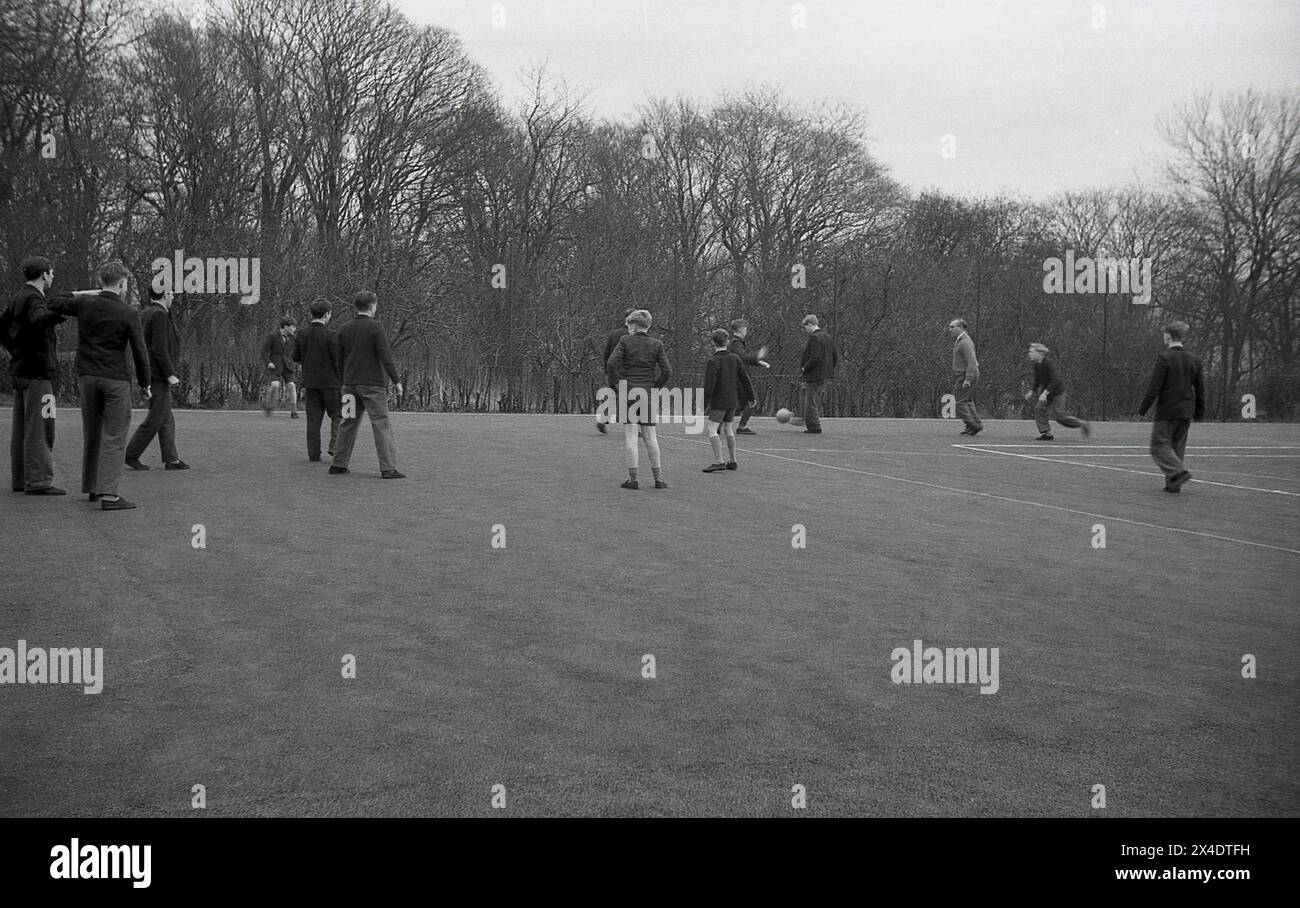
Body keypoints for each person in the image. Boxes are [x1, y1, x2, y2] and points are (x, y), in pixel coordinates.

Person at [52, 261, 151, 510]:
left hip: (87, 375)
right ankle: (109, 494)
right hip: (115, 378)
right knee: (115, 435)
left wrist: (90, 293)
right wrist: (145, 382)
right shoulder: (128, 312)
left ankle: (92, 487)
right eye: (125, 283)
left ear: (99, 283)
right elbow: (140, 351)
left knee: (92, 432)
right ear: (120, 283)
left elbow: (54, 301)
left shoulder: (86, 303)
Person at [4, 255, 87, 495]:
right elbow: (39, 318)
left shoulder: (19, 296)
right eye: (51, 273)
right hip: (38, 373)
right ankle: (39, 480)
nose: (52, 277)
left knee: (21, 427)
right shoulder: (34, 298)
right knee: (42, 425)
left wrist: (15, 349)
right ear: (44, 275)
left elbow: (2, 325)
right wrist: (60, 314)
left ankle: (21, 478)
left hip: (20, 369)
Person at [329, 291, 404, 479]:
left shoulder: (344, 328)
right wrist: (396, 380)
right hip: (372, 385)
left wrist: (342, 380)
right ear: (372, 307)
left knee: (347, 423)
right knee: (380, 424)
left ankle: (338, 463)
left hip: (349, 384)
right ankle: (388, 468)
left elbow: (338, 359)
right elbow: (385, 355)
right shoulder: (375, 328)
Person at [125, 287, 189, 470]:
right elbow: (159, 348)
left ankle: (172, 458)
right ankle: (131, 454)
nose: (173, 296)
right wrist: (170, 374)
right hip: (158, 374)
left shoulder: (146, 312)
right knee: (155, 418)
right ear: (164, 295)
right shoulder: (159, 315)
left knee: (166, 417)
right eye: (171, 293)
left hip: (150, 371)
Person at [607, 309, 670, 489]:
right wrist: (656, 386)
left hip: (628, 390)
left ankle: (633, 479)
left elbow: (611, 364)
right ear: (648, 325)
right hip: (648, 391)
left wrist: (617, 383)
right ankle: (658, 478)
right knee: (650, 435)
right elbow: (667, 371)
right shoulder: (656, 344)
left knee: (631, 436)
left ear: (633, 325)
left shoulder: (625, 341)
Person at [1138, 321, 1204, 493]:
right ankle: (1173, 485)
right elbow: (1200, 389)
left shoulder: (1165, 358)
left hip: (1167, 411)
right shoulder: (1195, 360)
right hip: (1186, 411)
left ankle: (1178, 473)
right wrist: (1199, 412)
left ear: (1168, 336)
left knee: (1158, 446)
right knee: (1176, 448)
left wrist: (1144, 407)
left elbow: (1155, 387)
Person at [294, 298, 343, 462]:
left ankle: (313, 454)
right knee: (337, 415)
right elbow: (337, 360)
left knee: (313, 420)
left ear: (311, 313)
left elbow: (295, 357)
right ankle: (334, 446)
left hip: (310, 382)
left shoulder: (301, 334)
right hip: (330, 383)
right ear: (327, 314)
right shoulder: (331, 335)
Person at [702, 328, 756, 473]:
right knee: (728, 428)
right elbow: (745, 378)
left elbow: (709, 385)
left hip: (719, 401)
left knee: (712, 429)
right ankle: (733, 460)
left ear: (713, 342)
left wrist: (703, 404)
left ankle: (719, 461)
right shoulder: (735, 358)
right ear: (727, 341)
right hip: (732, 399)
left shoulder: (713, 361)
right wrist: (751, 397)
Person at [1026, 343, 1091, 441]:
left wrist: (1045, 393)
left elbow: (1056, 380)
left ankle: (1082, 424)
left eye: (1031, 352)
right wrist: (1032, 391)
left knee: (1059, 416)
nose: (1029, 353)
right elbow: (1037, 380)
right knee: (1039, 408)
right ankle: (1047, 434)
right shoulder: (1036, 365)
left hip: (1057, 392)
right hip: (1047, 393)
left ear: (1039, 353)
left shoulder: (1048, 364)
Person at [796, 314, 837, 434]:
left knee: (810, 400)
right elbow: (835, 356)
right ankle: (810, 421)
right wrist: (829, 369)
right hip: (824, 374)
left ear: (809, 324)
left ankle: (814, 426)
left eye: (805, 327)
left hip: (814, 374)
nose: (805, 330)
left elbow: (815, 357)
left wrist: (805, 368)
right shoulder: (827, 336)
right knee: (813, 399)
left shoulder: (815, 338)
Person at [727, 318, 769, 435]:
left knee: (740, 405)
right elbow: (743, 357)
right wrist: (757, 357)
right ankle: (741, 427)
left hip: (737, 377)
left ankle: (721, 424)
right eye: (745, 329)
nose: (746, 331)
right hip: (740, 378)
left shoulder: (736, 343)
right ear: (740, 329)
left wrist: (758, 362)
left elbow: (744, 359)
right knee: (753, 401)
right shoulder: (736, 343)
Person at [596, 308, 634, 434]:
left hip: (613, 370)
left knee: (612, 396)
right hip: (626, 372)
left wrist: (607, 370)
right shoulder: (632, 336)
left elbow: (606, 354)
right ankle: (630, 426)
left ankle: (602, 420)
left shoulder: (614, 333)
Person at [947, 318, 982, 436]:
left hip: (965, 374)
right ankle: (974, 424)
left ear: (960, 328)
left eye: (953, 327)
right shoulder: (961, 341)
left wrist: (968, 379)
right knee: (967, 400)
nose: (950, 329)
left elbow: (971, 362)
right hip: (966, 374)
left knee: (960, 402)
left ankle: (973, 424)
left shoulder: (965, 342)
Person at [261, 317, 299, 418]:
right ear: (285, 327)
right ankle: (269, 406)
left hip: (288, 366)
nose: (294, 329)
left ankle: (294, 412)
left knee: (291, 386)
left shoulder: (293, 338)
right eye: (292, 327)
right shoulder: (273, 336)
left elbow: (297, 352)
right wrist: (268, 362)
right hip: (275, 365)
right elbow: (264, 350)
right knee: (275, 385)